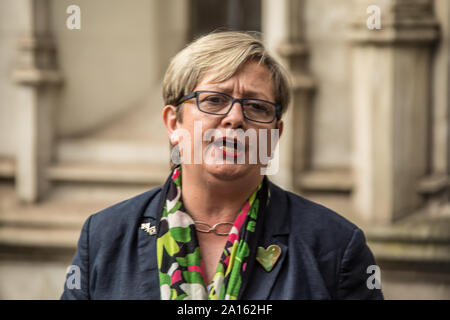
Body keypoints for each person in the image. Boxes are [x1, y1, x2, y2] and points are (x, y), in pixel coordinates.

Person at [61, 31, 383, 300]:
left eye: (256, 107)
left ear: (274, 136)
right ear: (174, 124)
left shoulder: (334, 248)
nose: (234, 119)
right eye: (214, 100)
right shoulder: (104, 238)